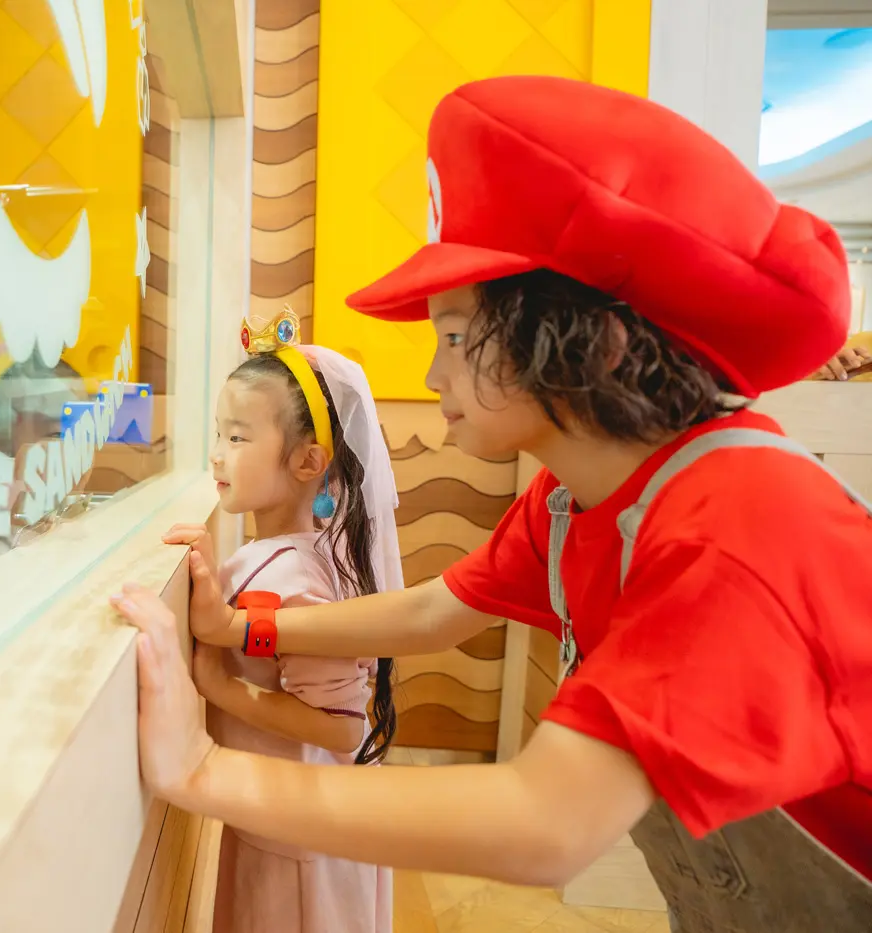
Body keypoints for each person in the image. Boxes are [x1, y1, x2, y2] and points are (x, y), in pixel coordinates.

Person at [111, 75, 872, 933]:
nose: (433, 376)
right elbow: (437, 610)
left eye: (455, 338)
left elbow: (545, 823)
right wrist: (241, 631)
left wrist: (201, 770)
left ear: (594, 338)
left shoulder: (736, 526)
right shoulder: (568, 500)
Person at [164, 318, 400, 933]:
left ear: (306, 462)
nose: (217, 453)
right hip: (280, 823)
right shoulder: (286, 556)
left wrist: (219, 688)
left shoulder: (297, 580)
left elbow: (341, 728)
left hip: (302, 855)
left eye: (238, 439)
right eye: (220, 433)